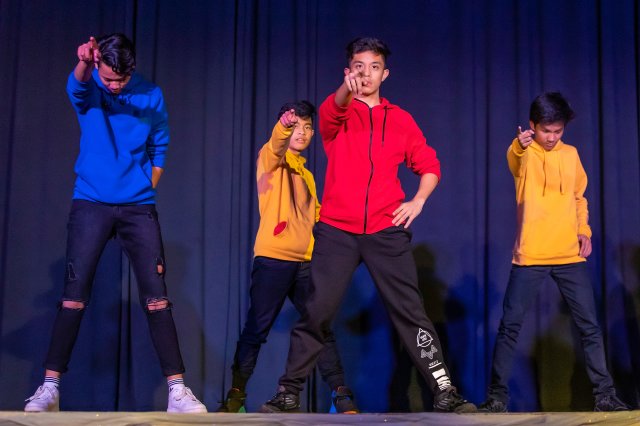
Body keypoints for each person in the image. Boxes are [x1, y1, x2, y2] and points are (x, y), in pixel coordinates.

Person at [260, 37, 476, 414]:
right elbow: (334, 107)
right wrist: (346, 89)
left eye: (374, 67)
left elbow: (429, 165)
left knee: (411, 312)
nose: (366, 74)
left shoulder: (401, 119)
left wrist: (418, 200)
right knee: (317, 311)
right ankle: (288, 392)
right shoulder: (336, 114)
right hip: (337, 230)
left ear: (384, 74)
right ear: (348, 71)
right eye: (359, 66)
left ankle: (445, 390)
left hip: (385, 229)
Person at [24, 34, 206, 413]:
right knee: (73, 297)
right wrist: (84, 63)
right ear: (98, 67)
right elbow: (76, 87)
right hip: (91, 201)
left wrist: (144, 185)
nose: (114, 86)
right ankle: (50, 388)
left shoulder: (151, 94)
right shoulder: (91, 85)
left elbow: (160, 143)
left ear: (131, 69)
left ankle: (177, 391)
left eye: (120, 80)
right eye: (108, 78)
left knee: (157, 298)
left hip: (137, 206)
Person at [479, 92, 630, 413]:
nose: (551, 137)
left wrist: (584, 230)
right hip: (530, 255)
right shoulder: (524, 153)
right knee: (510, 327)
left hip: (569, 255)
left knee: (589, 326)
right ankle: (497, 398)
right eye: (546, 130)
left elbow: (578, 197)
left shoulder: (571, 154)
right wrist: (519, 145)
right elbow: (514, 160)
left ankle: (604, 395)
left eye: (557, 131)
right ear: (532, 126)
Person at [217, 101, 358, 414]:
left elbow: (319, 216)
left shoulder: (307, 174)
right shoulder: (270, 159)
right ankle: (236, 396)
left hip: (306, 262)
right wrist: (283, 126)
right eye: (297, 127)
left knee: (319, 327)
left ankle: (340, 394)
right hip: (274, 258)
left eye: (308, 127)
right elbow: (276, 144)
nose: (302, 133)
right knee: (257, 328)